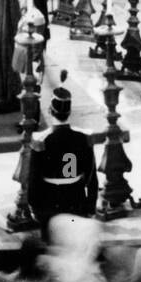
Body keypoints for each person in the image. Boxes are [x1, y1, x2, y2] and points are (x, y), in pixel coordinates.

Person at [27, 73, 98, 239]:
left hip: (49, 204)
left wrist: (37, 210)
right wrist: (90, 207)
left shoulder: (40, 140)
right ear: (70, 111)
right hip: (76, 201)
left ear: (50, 110)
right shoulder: (83, 138)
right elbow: (91, 178)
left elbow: (33, 181)